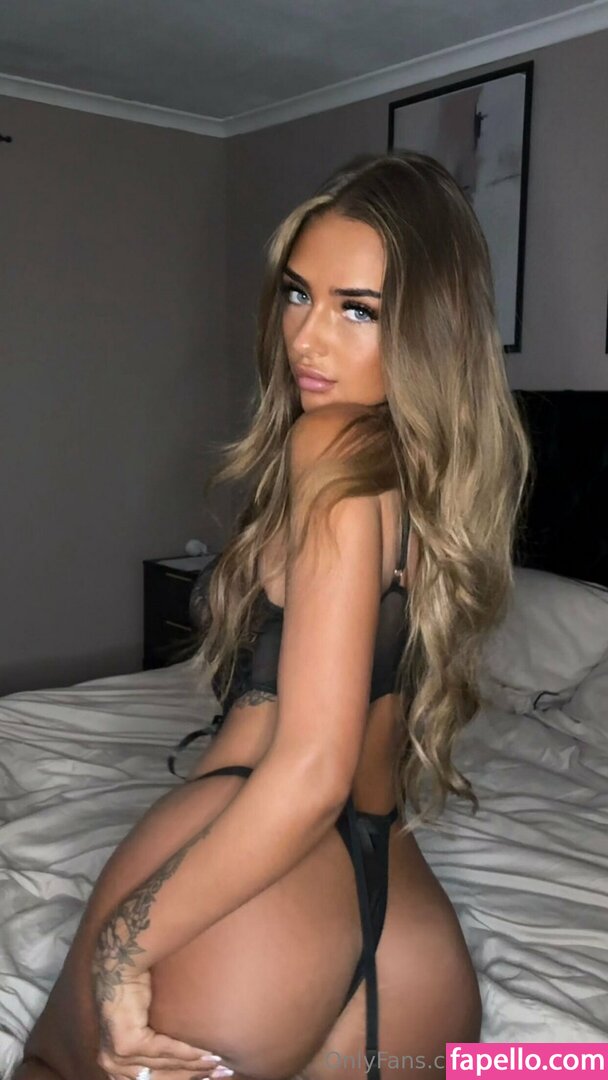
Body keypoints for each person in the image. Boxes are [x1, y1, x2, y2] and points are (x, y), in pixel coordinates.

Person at [15, 150, 531, 1080]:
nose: (307, 338)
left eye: (357, 309)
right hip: (405, 927)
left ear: (429, 329)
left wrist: (125, 946)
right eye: (298, 294)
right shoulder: (430, 484)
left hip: (266, 888)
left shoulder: (329, 450)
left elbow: (310, 769)